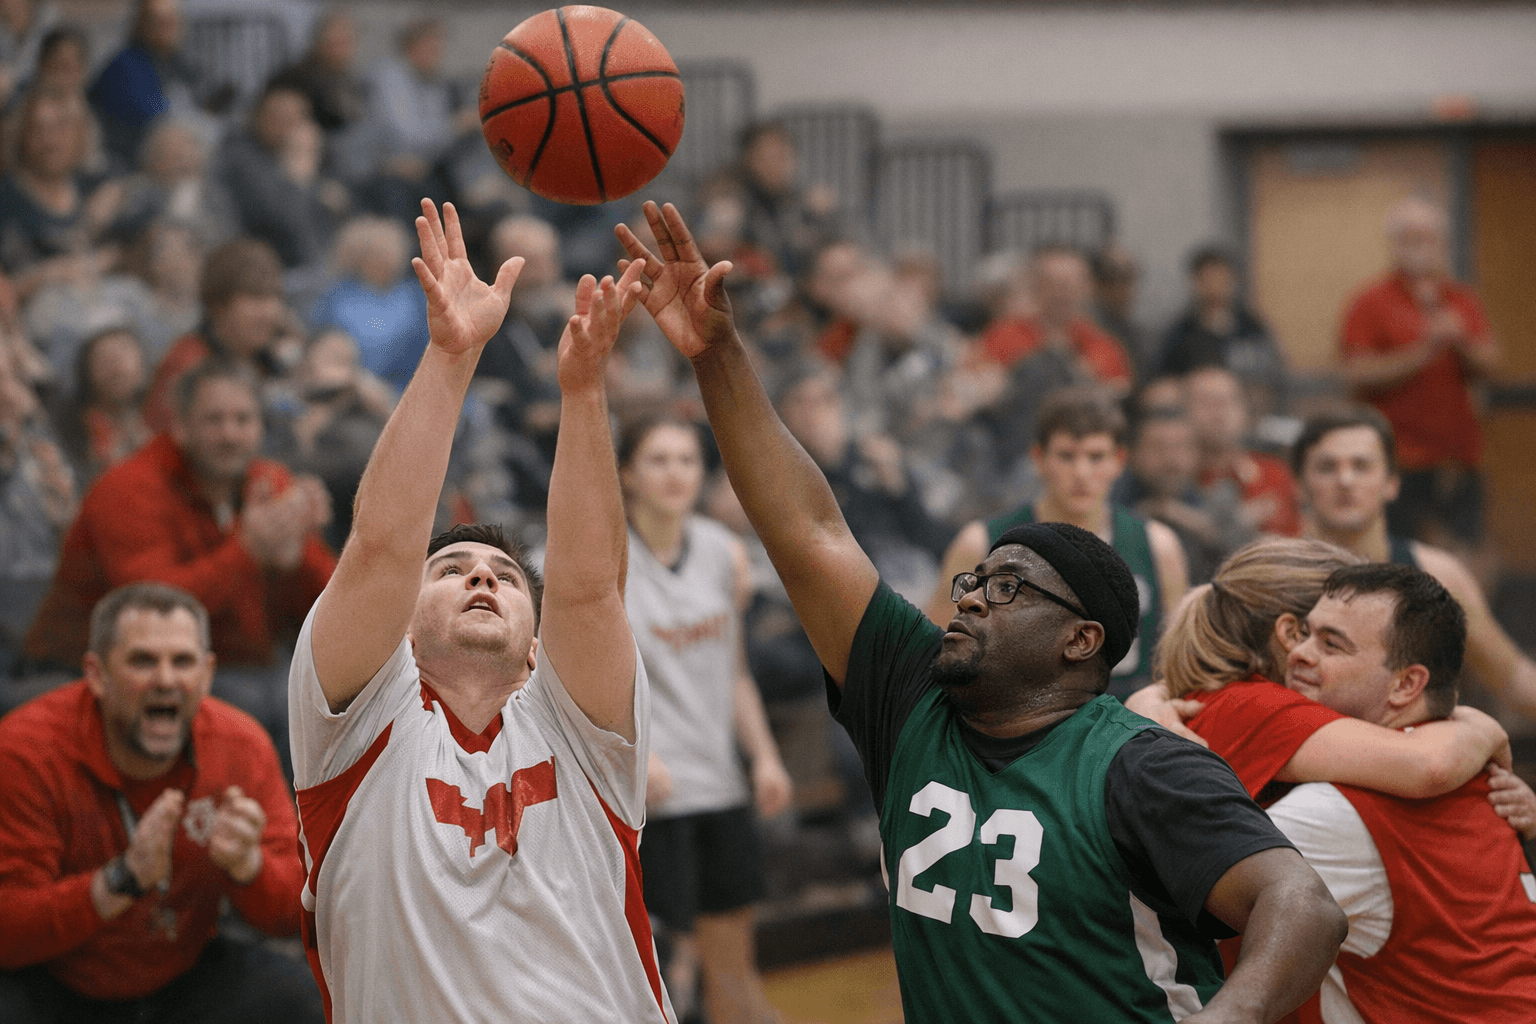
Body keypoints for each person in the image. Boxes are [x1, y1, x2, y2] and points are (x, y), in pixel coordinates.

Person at [619, 199, 1347, 1023]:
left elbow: (1304, 906)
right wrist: (718, 354)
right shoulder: (910, 696)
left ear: (1081, 640)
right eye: (972, 582)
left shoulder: (1144, 767)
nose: (968, 599)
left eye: (1006, 589)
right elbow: (810, 532)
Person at [290, 200, 672, 1022]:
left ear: (539, 652)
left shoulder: (583, 736)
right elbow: (382, 547)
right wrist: (451, 355)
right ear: (401, 626)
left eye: (504, 574)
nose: (481, 579)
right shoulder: (353, 732)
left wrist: (582, 391)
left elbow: (586, 588)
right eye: (452, 568)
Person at [0, 583, 322, 1023]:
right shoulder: (26, 751)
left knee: (298, 997)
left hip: (184, 973)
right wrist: (120, 881)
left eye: (183, 661)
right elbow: (8, 929)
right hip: (60, 983)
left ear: (208, 674)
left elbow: (293, 912)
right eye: (143, 660)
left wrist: (248, 867)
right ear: (96, 675)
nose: (166, 680)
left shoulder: (240, 745)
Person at [1268, 563, 1536, 1023]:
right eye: (1305, 633)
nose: (1298, 654)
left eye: (1332, 644)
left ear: (1407, 684)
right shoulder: (1471, 762)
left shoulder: (1338, 813)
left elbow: (1164, 881)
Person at [24, 359, 334, 756]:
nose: (230, 434)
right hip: (99, 670)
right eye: (214, 420)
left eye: (243, 420)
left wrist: (296, 559)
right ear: (181, 428)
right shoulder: (127, 489)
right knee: (267, 704)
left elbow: (327, 604)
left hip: (236, 668)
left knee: (327, 697)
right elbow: (150, 612)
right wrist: (248, 548)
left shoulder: (268, 481)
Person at [618, 416, 791, 1024]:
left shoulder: (724, 552)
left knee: (735, 972)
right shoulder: (602, 559)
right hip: (651, 796)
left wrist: (764, 755)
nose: (674, 473)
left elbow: (734, 669)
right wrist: (632, 757)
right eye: (658, 459)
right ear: (626, 474)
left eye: (686, 460)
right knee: (669, 979)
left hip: (720, 782)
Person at [926, 385, 1188, 696]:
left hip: (1126, 720)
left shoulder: (1158, 546)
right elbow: (939, 652)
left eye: (1096, 456)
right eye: (1066, 456)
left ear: (1119, 460)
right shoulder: (979, 543)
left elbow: (1177, 664)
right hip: (1015, 717)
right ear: (1039, 458)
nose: (1081, 472)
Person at [1292, 407, 1536, 718]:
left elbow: (1513, 681)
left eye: (1361, 465)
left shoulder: (1437, 573)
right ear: (1299, 484)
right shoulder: (1271, 573)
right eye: (1327, 467)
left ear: (1392, 482)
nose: (1345, 480)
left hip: (1418, 753)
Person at [1337, 199, 1498, 552]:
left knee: (1468, 554)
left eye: (1431, 238)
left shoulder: (1462, 298)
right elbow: (1357, 372)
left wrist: (1460, 343)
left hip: (1459, 456)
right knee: (1405, 557)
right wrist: (1422, 351)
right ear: (1394, 244)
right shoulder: (1370, 301)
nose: (1422, 247)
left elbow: (1492, 365)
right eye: (1411, 238)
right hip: (1400, 460)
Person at [143, 236, 285, 432]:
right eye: (255, 298)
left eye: (274, 296)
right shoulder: (186, 364)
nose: (269, 312)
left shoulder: (266, 360)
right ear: (218, 305)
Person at [977, 243, 1134, 393]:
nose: (1062, 292)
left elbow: (1120, 390)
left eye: (1071, 283)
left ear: (1087, 287)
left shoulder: (1103, 345)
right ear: (1034, 286)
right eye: (1052, 282)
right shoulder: (1003, 337)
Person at [1158, 246, 1287, 421]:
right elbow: (1165, 382)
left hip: (1255, 416)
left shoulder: (1253, 327)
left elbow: (1277, 372)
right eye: (1207, 278)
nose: (1215, 284)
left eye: (1221, 276)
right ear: (1195, 282)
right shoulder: (1181, 334)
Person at [308, 216, 429, 392]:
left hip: (413, 383)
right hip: (352, 386)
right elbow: (324, 342)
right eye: (376, 255)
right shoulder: (338, 296)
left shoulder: (415, 294)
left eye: (392, 253)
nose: (387, 261)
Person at [1187, 364, 1302, 538]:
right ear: (1182, 413)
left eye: (1229, 401)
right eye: (1206, 402)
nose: (1219, 412)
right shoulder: (1175, 477)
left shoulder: (1275, 473)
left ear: (1246, 413)